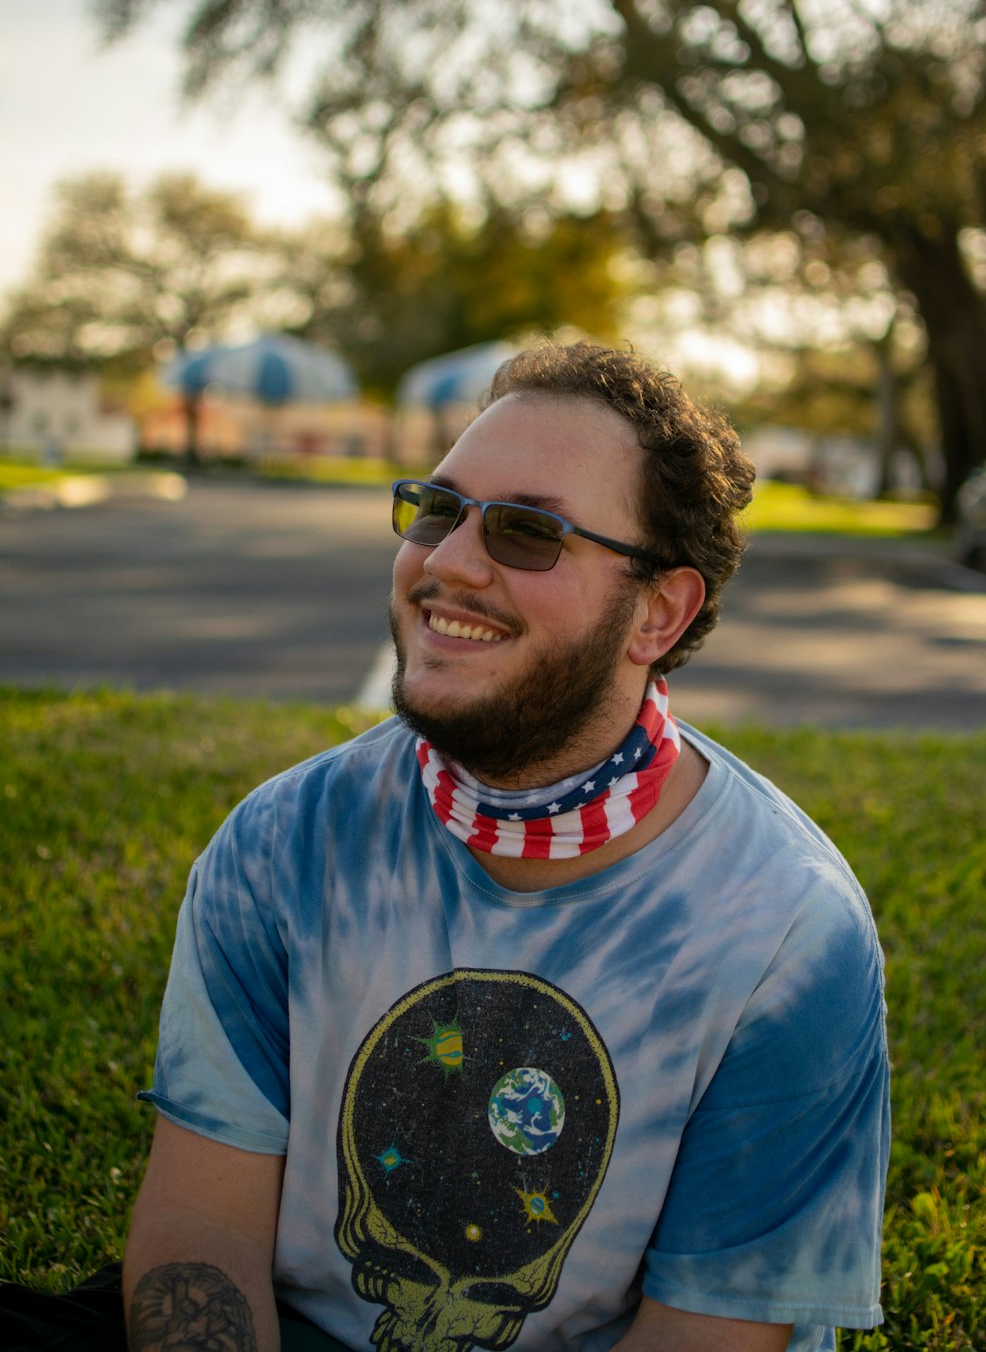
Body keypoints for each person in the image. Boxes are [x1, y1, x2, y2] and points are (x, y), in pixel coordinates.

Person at [7, 342, 890, 1352]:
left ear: (656, 612)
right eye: (437, 509)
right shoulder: (282, 841)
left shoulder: (786, 927)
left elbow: (704, 1339)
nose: (448, 562)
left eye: (526, 532)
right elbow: (200, 1231)